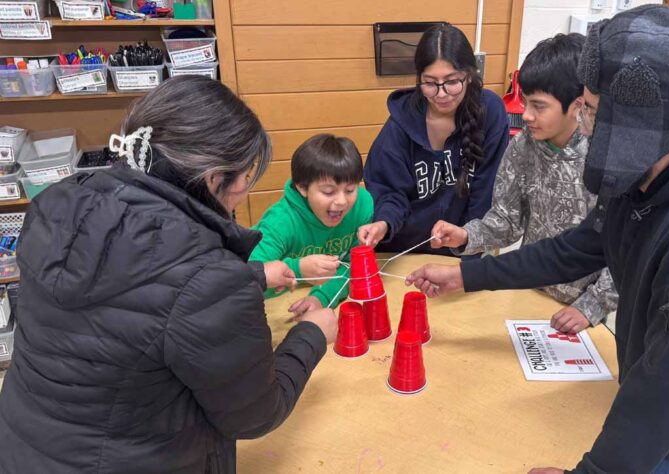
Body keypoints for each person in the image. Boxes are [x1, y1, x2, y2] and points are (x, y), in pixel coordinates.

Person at [406, 5, 669, 473]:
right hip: (655, 386)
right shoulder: (652, 171)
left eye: (589, 109)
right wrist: (466, 274)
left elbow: (664, 391)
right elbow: (574, 249)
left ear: (637, 120)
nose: (584, 124)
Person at [0, 77, 337, 474]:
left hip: (23, 449)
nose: (244, 191)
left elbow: (139, 290)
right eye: (245, 178)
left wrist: (251, 276)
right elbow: (255, 415)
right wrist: (311, 335)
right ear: (213, 178)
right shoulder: (209, 278)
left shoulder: (58, 204)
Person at [431, 33, 617, 334]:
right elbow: (507, 219)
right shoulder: (523, 147)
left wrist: (592, 306)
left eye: (539, 106)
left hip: (583, 312)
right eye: (526, 102)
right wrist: (467, 236)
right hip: (529, 291)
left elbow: (626, 250)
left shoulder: (606, 157)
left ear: (577, 105)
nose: (526, 115)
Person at [358, 24, 509, 255]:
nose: (441, 94)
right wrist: (384, 223)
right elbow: (388, 192)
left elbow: (487, 192)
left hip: (461, 247)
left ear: (469, 75)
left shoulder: (490, 111)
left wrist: (468, 245)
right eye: (430, 83)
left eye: (451, 82)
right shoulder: (400, 124)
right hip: (403, 252)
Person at [249, 134, 373, 316]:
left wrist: (321, 298)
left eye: (350, 190)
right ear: (302, 187)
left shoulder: (361, 205)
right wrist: (297, 269)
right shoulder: (280, 222)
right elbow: (247, 282)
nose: (341, 201)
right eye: (328, 191)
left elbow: (353, 266)